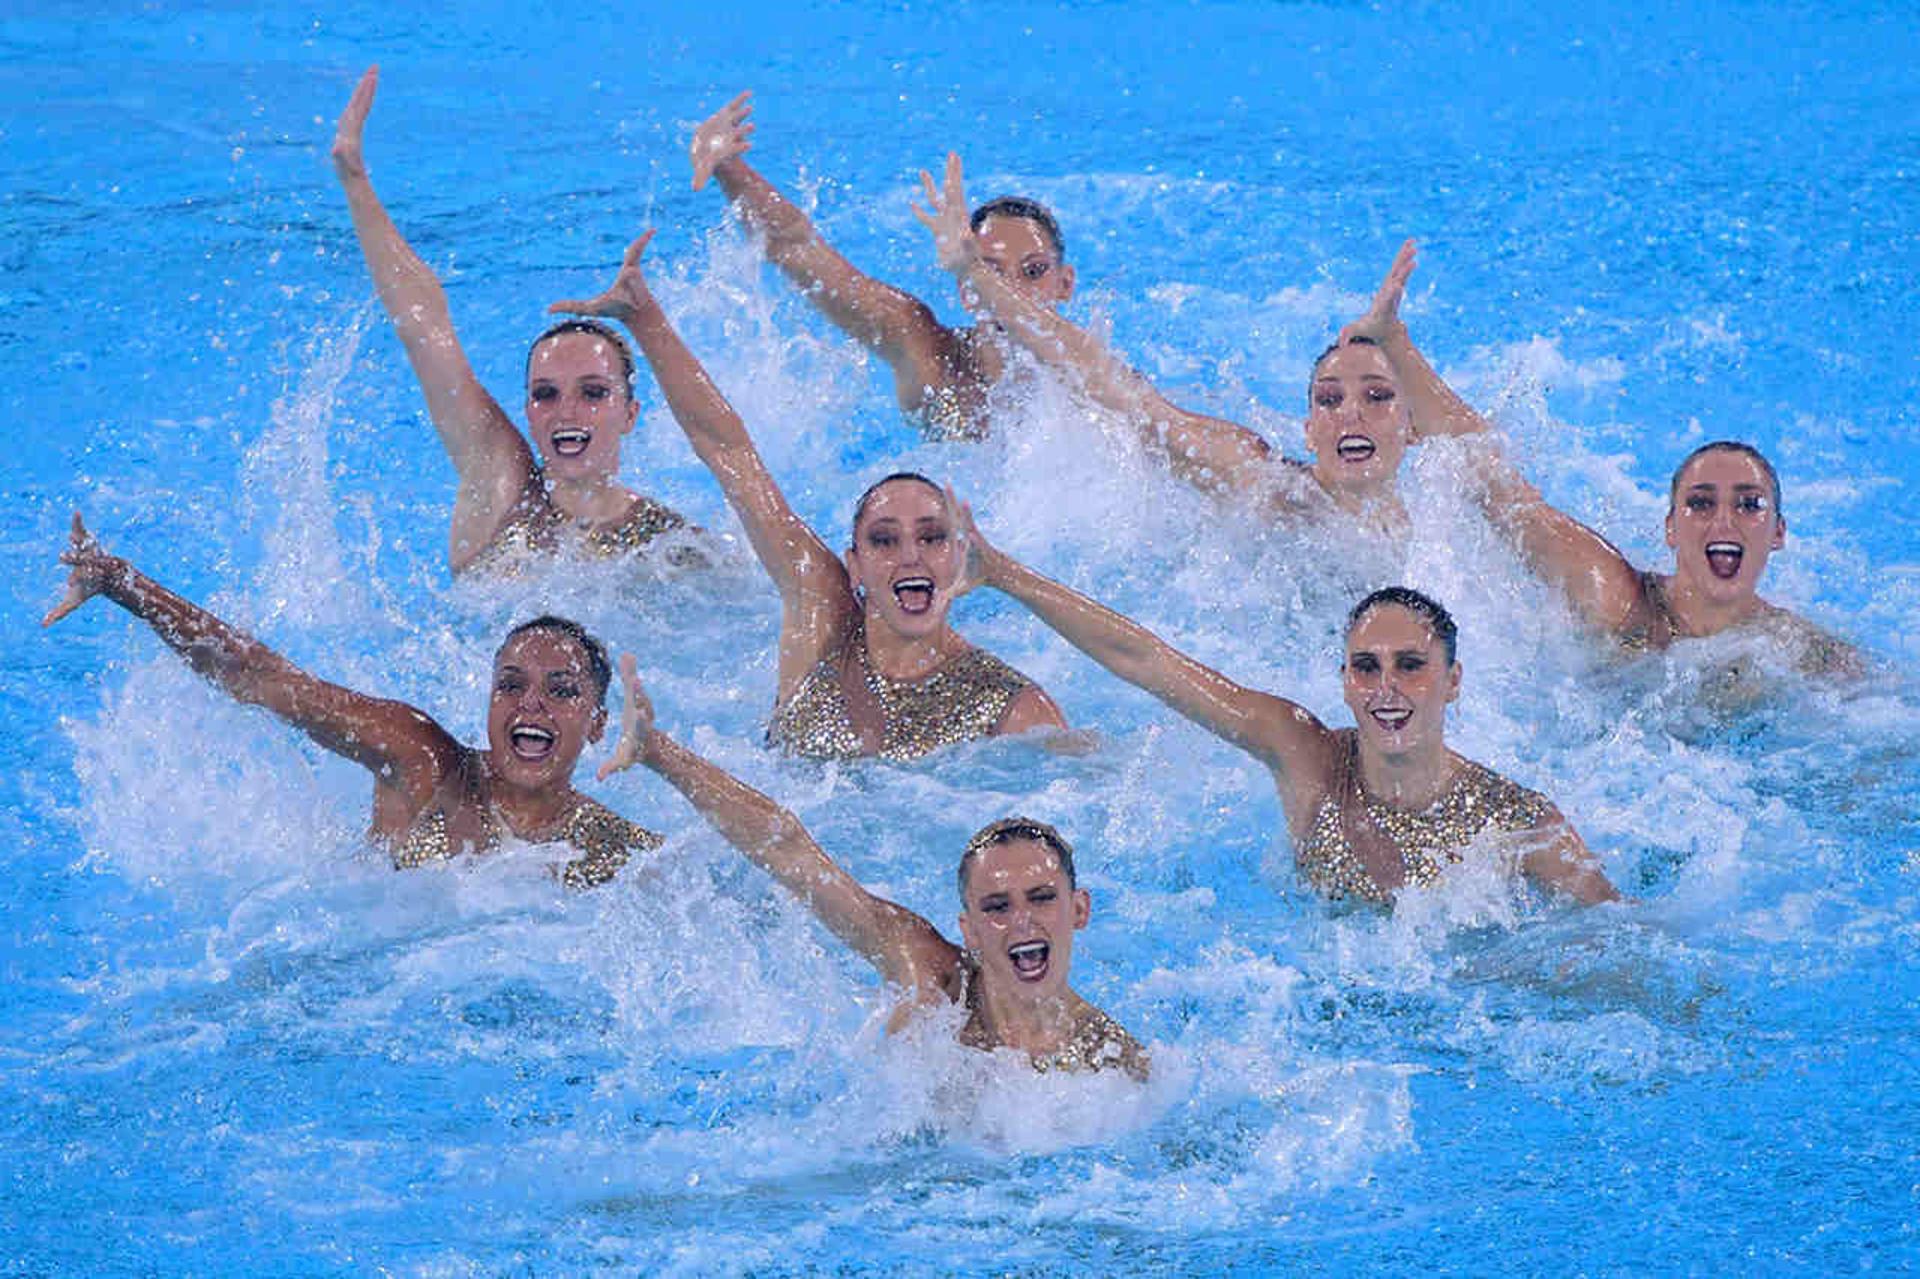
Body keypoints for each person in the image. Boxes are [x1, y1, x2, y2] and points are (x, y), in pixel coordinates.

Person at [549, 235, 1067, 761]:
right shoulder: (822, 620)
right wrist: (646, 320)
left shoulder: (1013, 711)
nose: (910, 555)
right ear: (855, 568)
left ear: (960, 560)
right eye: (885, 541)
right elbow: (729, 452)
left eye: (932, 538)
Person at [949, 501, 1620, 905]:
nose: (1386, 687)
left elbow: (1616, 933)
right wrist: (1005, 574)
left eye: (1411, 666)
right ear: (1345, 680)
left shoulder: (1519, 822)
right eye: (1366, 667)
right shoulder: (1304, 755)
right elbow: (1147, 661)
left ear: (1453, 681)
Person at [595, 653, 1147, 1078]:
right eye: (997, 907)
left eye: (1042, 897)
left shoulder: (1113, 1063)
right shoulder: (933, 978)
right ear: (969, 929)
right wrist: (659, 753)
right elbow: (788, 847)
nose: (1022, 921)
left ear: (1080, 910)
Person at [1336, 242, 1862, 676]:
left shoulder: (1802, 653)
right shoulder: (1620, 603)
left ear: (1778, 532)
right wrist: (1393, 343)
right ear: (1671, 529)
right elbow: (1496, 484)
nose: (1723, 520)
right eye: (1700, 504)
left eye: (1749, 504)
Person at [45, 514, 658, 887]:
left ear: (598, 724)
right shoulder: (422, 760)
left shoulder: (611, 851)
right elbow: (264, 680)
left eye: (562, 691)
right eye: (512, 684)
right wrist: (122, 584)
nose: (531, 706)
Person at [915, 157, 1450, 536]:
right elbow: (1121, 394)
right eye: (1328, 400)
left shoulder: (1451, 535)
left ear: (1414, 428)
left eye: (1378, 396)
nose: (1350, 414)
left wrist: (1397, 343)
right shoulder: (1267, 488)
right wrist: (973, 274)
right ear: (1308, 432)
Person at [332, 66, 692, 575]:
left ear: (631, 414)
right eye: (545, 394)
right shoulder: (500, 486)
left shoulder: (671, 546)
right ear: (526, 410)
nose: (567, 411)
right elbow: (423, 325)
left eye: (593, 392)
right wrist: (354, 179)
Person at [690, 92, 1077, 441]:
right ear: (966, 288)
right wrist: (728, 168)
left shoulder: (1100, 384)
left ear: (1065, 284)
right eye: (989, 271)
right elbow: (796, 247)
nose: (1010, 290)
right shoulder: (928, 354)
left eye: (1033, 271)